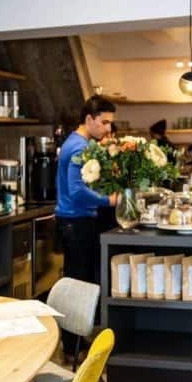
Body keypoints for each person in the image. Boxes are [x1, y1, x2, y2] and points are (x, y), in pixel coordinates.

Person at [56, 95, 119, 287]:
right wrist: (108, 200)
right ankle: (75, 318)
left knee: (80, 282)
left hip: (75, 221)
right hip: (76, 222)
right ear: (89, 119)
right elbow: (77, 191)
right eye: (104, 122)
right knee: (80, 285)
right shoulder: (79, 147)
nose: (108, 128)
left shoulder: (79, 142)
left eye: (110, 123)